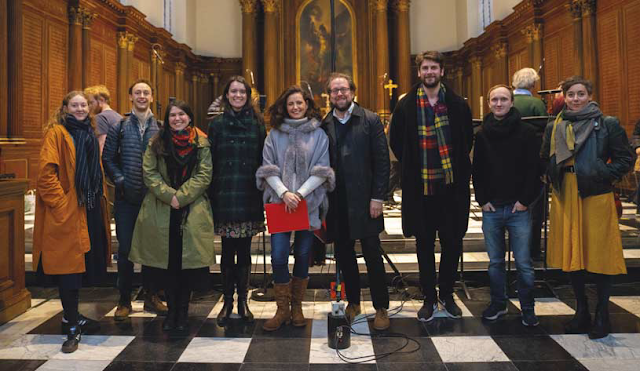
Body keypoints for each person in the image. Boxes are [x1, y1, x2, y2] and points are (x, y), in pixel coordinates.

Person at [541, 76, 633, 339]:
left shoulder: (607, 123)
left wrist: (602, 172)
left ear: (590, 96)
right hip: (566, 193)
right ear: (564, 97)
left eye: (581, 94)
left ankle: (602, 314)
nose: (576, 99)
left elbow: (625, 158)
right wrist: (550, 172)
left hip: (596, 194)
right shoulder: (555, 125)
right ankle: (581, 311)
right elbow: (545, 155)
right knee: (574, 254)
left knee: (600, 254)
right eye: (571, 94)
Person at [389, 51, 473, 322]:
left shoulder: (458, 104)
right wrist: (414, 167)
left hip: (450, 188)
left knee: (451, 243)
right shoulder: (406, 105)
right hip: (421, 188)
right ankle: (428, 296)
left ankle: (447, 294)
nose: (429, 72)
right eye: (425, 68)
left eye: (434, 67)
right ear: (419, 72)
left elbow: (466, 141)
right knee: (424, 244)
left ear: (442, 71)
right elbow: (397, 142)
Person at [33, 91, 111, 353]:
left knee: (80, 265)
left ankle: (72, 316)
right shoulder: (57, 133)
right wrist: (60, 204)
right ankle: (71, 323)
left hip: (87, 208)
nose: (80, 109)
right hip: (68, 210)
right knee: (68, 267)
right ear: (65, 107)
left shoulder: (88, 132)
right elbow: (46, 175)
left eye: (84, 105)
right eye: (74, 105)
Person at [129, 100, 214, 332]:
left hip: (191, 209)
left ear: (189, 116)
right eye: (173, 115)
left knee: (186, 266)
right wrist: (170, 196)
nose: (177, 119)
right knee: (168, 266)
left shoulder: (202, 142)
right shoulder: (156, 142)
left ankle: (182, 312)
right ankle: (171, 311)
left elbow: (204, 175)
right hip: (161, 210)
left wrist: (182, 197)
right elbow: (149, 173)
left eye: (182, 114)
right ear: (167, 120)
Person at [256, 85, 334, 331]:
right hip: (280, 205)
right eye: (291, 104)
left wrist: (299, 194)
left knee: (302, 255)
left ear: (307, 105)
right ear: (284, 107)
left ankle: (297, 306)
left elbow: (322, 170)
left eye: (299, 103)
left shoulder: (319, 135)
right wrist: (284, 193)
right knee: (278, 256)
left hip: (308, 205)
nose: (295, 107)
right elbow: (268, 169)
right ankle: (282, 309)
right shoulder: (274, 134)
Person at [321, 73, 391, 331]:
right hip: (337, 201)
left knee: (373, 254)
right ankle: (353, 302)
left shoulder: (370, 119)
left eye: (344, 89)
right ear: (329, 95)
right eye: (334, 91)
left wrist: (377, 197)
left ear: (353, 91)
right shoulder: (325, 123)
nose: (339, 94)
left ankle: (381, 307)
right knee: (344, 255)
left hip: (366, 200)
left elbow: (382, 162)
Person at [472, 85, 539, 327]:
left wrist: (524, 201)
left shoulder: (528, 132)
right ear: (488, 104)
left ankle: (528, 307)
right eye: (494, 100)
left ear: (512, 102)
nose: (498, 103)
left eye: (503, 99)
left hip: (517, 208)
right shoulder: (481, 134)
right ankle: (498, 303)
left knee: (523, 263)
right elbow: (477, 170)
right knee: (495, 262)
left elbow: (534, 169)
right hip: (492, 208)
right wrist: (483, 200)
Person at [102, 79, 167, 320]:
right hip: (126, 199)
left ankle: (151, 296)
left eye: (146, 93)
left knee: (152, 250)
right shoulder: (119, 126)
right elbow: (108, 158)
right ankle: (124, 300)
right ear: (130, 97)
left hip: (152, 199)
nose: (141, 96)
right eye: (137, 92)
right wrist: (120, 179)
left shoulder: (161, 128)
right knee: (127, 249)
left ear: (152, 97)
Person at [208, 76, 266, 325]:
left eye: (242, 92)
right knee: (227, 251)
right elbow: (209, 161)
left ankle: (243, 301)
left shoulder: (257, 123)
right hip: (225, 193)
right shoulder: (217, 124)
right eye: (233, 91)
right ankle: (228, 301)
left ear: (248, 95)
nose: (238, 95)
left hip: (249, 194)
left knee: (244, 251)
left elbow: (264, 160)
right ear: (226, 95)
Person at [511, 68, 547, 260]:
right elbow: (544, 129)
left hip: (509, 160)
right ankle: (532, 249)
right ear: (533, 84)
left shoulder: (508, 101)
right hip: (532, 159)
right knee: (534, 207)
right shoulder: (536, 103)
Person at [84, 85, 122, 155]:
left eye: (91, 103)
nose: (89, 107)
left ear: (101, 100)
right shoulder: (119, 116)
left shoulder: (100, 118)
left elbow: (101, 147)